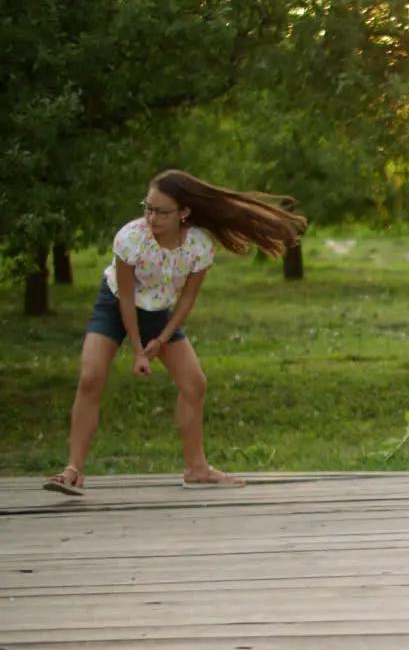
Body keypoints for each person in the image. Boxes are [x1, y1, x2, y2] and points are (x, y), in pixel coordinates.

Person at [42, 170, 307, 495]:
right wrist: (139, 350)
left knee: (195, 383)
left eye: (161, 211)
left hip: (159, 313)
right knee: (90, 377)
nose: (152, 217)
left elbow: (186, 300)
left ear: (184, 213)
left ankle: (196, 469)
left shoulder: (198, 246)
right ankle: (73, 471)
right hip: (115, 306)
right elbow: (125, 297)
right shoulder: (130, 238)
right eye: (148, 208)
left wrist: (162, 339)